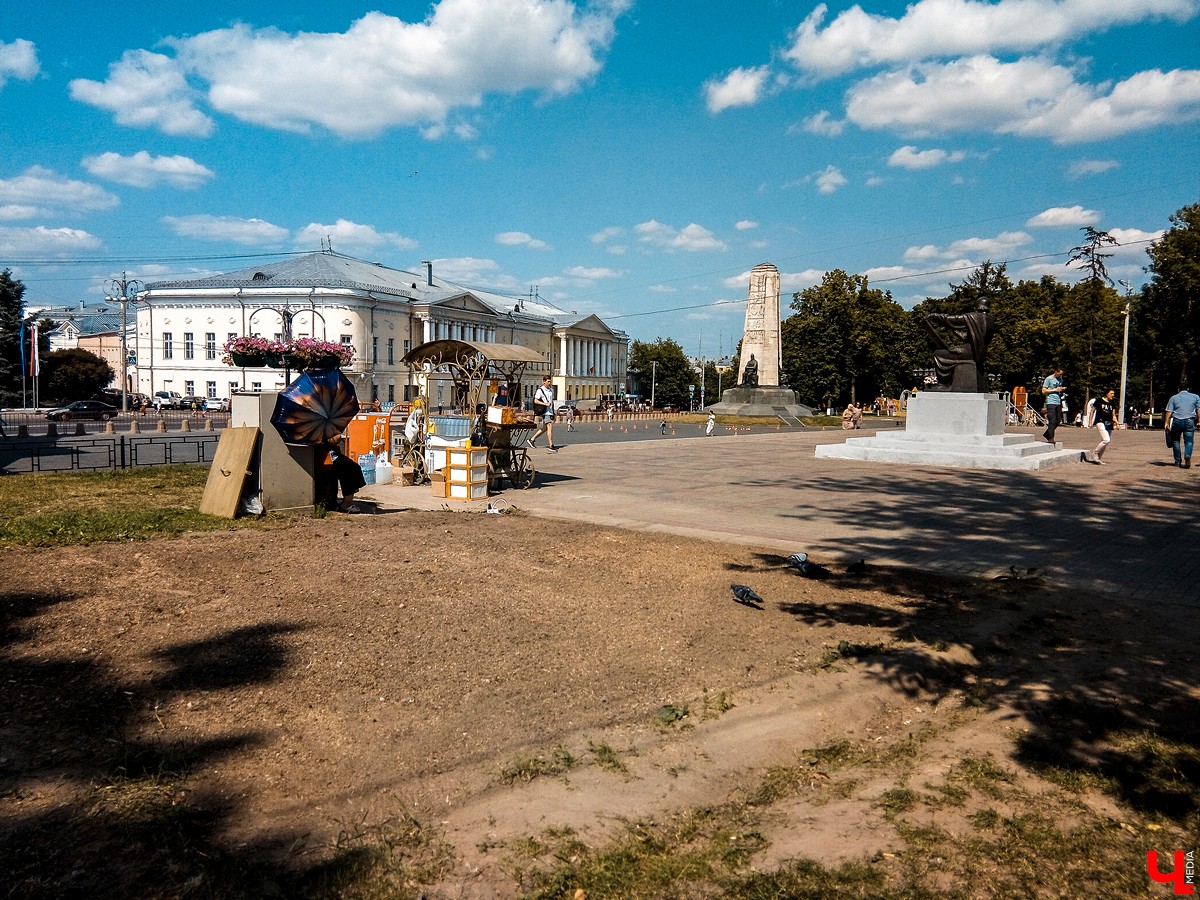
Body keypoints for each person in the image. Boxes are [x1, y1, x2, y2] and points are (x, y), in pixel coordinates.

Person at [320, 433, 366, 512]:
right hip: (327, 457)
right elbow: (334, 440)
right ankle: (346, 504)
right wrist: (337, 435)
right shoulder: (324, 427)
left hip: (331, 455)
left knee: (351, 466)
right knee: (351, 468)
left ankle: (338, 502)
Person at [1164, 379, 1200, 468]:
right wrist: (1199, 421)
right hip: (1189, 421)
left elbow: (1169, 411)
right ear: (1188, 388)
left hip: (1177, 421)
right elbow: (1198, 410)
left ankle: (1177, 461)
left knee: (1176, 441)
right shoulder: (1196, 397)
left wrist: (1166, 423)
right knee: (1189, 441)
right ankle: (1187, 455)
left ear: (1178, 389)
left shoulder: (1173, 398)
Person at [528, 375, 557, 452]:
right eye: (548, 381)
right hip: (545, 411)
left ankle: (532, 439)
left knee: (545, 428)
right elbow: (535, 401)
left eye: (550, 381)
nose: (549, 383)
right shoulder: (540, 390)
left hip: (550, 411)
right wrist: (545, 404)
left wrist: (554, 411)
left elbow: (552, 401)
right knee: (549, 426)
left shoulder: (551, 390)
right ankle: (551, 445)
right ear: (544, 381)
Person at [1088, 389, 1116, 464]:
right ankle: (1095, 453)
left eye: (1113, 393)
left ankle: (1098, 459)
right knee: (1106, 440)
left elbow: (1113, 415)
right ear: (1107, 394)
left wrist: (1117, 423)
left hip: (1109, 423)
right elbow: (1092, 411)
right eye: (1111, 393)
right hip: (1100, 421)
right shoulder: (1098, 400)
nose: (1113, 395)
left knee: (1105, 441)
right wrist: (1090, 422)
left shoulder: (1112, 403)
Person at [1042, 367, 1065, 443]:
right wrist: (1054, 390)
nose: (1061, 375)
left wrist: (1061, 389)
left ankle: (1047, 433)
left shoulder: (1060, 379)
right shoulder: (1049, 379)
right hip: (1050, 401)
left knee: (1058, 420)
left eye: (1062, 374)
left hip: (1058, 401)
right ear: (1056, 372)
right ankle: (1050, 438)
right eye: (1060, 374)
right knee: (1052, 420)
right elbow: (1043, 391)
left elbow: (1058, 389)